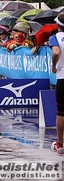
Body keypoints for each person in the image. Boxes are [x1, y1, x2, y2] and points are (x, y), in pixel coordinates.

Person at [50, 13, 64, 155]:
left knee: (61, 113)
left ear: (57, 25)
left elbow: (55, 52)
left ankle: (60, 144)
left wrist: (54, 66)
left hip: (62, 77)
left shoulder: (54, 37)